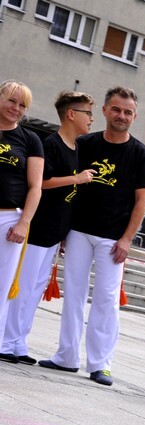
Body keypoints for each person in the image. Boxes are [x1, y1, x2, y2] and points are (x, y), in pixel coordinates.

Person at [38, 86, 145, 386]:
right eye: (116, 109)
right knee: (73, 295)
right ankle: (66, 356)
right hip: (78, 231)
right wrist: (64, 230)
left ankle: (101, 363)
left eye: (128, 112)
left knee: (106, 300)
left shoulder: (140, 153)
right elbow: (69, 186)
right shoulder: (85, 143)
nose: (121, 115)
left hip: (114, 239)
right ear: (104, 111)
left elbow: (142, 201)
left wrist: (127, 239)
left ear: (135, 116)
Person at [4, 87, 86, 364]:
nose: (91, 119)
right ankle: (7, 340)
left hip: (54, 230)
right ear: (71, 114)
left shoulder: (76, 148)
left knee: (34, 289)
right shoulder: (50, 144)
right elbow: (43, 183)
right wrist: (76, 179)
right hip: (38, 227)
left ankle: (18, 342)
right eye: (88, 113)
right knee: (22, 287)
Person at [0, 80, 44, 349]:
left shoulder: (30, 139)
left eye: (22, 105)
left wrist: (24, 222)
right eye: (11, 101)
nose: (16, 108)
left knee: (2, 287)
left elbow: (36, 187)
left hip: (9, 220)